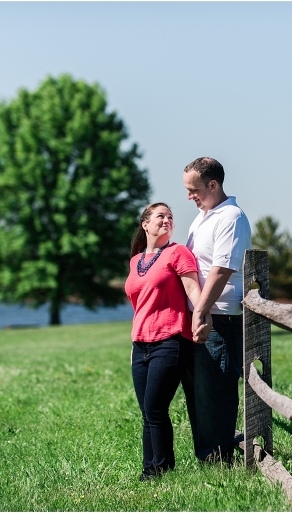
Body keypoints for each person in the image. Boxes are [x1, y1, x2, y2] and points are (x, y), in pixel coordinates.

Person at [124, 202, 210, 481]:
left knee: (155, 408)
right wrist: (134, 344)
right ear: (145, 224)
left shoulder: (178, 253)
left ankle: (157, 470)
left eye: (170, 217)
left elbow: (193, 291)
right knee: (146, 412)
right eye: (160, 216)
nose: (167, 220)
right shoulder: (136, 261)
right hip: (141, 344)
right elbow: (140, 306)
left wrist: (203, 317)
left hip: (171, 340)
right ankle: (152, 467)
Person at [181, 157, 252, 464]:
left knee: (216, 388)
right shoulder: (203, 217)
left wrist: (201, 311)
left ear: (213, 185)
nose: (189, 196)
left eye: (194, 189)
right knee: (199, 390)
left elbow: (221, 271)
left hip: (219, 317)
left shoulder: (231, 217)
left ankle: (220, 458)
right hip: (203, 312)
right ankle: (208, 455)